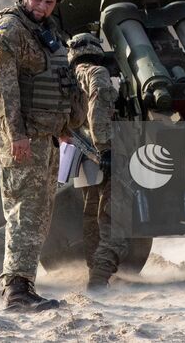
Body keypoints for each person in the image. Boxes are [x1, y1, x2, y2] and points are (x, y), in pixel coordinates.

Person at [0, 0, 81, 312]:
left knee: (38, 214)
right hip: (24, 140)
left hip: (47, 138)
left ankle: (23, 287)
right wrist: (17, 136)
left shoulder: (46, 31)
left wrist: (65, 128)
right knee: (25, 214)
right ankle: (16, 293)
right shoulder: (10, 31)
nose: (41, 6)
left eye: (49, 3)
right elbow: (3, 90)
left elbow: (58, 82)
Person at [68, 30, 130, 290]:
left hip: (83, 155)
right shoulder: (97, 73)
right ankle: (99, 280)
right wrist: (106, 148)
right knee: (117, 223)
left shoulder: (69, 78)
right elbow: (98, 107)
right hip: (106, 154)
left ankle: (94, 272)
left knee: (92, 215)